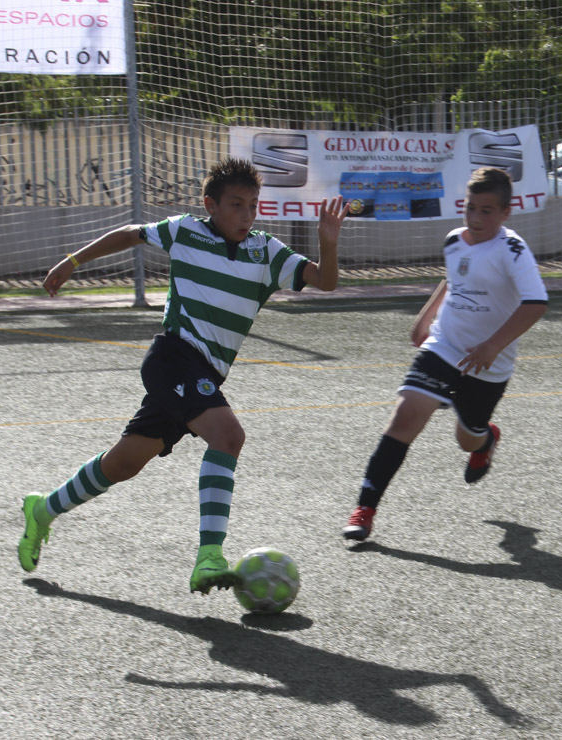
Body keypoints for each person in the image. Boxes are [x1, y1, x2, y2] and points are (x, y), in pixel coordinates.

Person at [19, 157, 349, 595]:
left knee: (122, 464)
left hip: (205, 373)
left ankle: (43, 508)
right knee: (228, 436)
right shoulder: (186, 231)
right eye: (236, 205)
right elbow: (130, 233)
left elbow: (325, 281)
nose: (247, 215)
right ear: (210, 205)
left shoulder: (266, 252)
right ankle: (209, 556)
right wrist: (73, 260)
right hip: (173, 358)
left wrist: (328, 243)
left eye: (253, 205)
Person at [342, 166, 548, 541]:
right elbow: (454, 281)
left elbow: (536, 304)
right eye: (471, 207)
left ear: (506, 212)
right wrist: (425, 320)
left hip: (489, 362)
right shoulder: (454, 240)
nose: (476, 217)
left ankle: (484, 440)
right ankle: (365, 509)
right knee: (404, 419)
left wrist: (492, 345)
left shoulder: (512, 250)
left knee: (466, 438)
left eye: (487, 210)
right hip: (445, 346)